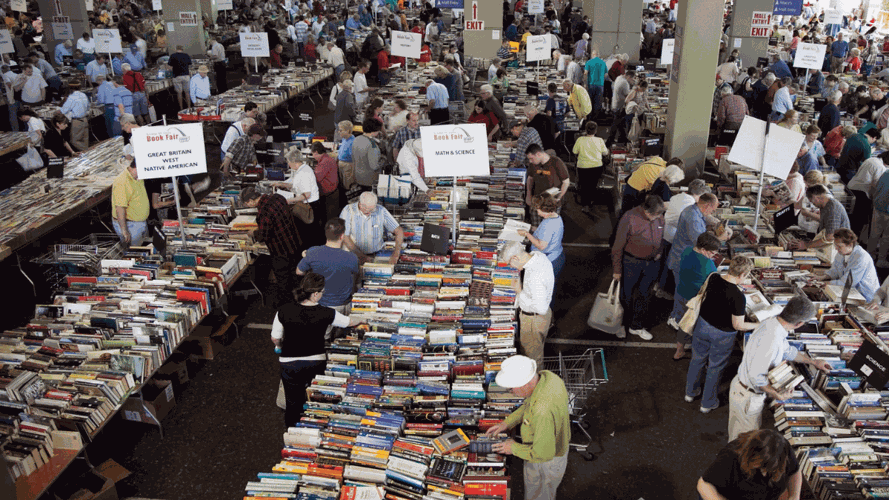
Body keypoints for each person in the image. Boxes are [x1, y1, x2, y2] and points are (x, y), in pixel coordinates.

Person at [729, 296, 830, 441]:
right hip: (747, 396)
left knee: (739, 437)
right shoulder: (772, 339)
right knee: (744, 443)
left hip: (744, 390)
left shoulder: (774, 324)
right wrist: (776, 394)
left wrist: (813, 362)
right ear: (800, 323)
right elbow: (756, 376)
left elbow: (788, 351)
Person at [272, 272, 359, 427]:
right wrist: (365, 319)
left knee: (292, 400)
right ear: (315, 294)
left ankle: (293, 430)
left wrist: (279, 346)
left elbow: (275, 338)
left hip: (289, 363)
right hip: (315, 361)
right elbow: (349, 322)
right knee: (316, 397)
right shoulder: (327, 312)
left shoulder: (283, 310)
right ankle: (314, 423)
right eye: (322, 292)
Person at [485, 355, 570, 500]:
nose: (511, 392)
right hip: (550, 442)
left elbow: (543, 454)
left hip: (545, 462)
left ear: (525, 384)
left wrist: (513, 448)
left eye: (511, 389)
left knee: (539, 495)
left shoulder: (541, 411)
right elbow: (528, 405)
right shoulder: (548, 378)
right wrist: (507, 423)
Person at [685, 255, 760, 413]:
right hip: (722, 335)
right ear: (742, 275)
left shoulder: (714, 278)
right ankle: (707, 403)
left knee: (697, 359)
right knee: (715, 367)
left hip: (702, 325)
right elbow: (738, 325)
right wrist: (758, 325)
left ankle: (690, 393)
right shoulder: (738, 297)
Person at [611, 195, 666, 341]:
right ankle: (620, 324)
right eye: (654, 215)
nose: (657, 218)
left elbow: (660, 237)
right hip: (631, 262)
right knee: (626, 295)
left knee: (645, 295)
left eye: (659, 215)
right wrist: (617, 270)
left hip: (652, 264)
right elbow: (617, 246)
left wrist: (659, 252)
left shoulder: (659, 217)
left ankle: (636, 326)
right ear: (645, 210)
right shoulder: (629, 217)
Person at [242, 186, 303, 308]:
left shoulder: (263, 212)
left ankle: (288, 306)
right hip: (294, 243)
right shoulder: (278, 198)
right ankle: (301, 300)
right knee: (295, 274)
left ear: (251, 201)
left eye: (246, 204)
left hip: (280, 250)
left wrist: (253, 233)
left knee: (283, 279)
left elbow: (264, 236)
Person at [698, 430, 802, 500]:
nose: (765, 474)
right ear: (751, 455)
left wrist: (794, 496)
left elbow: (795, 471)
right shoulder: (730, 456)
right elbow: (703, 484)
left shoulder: (782, 448)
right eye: (762, 467)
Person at [296, 217, 360, 331]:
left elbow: (299, 271)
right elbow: (357, 276)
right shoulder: (351, 257)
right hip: (342, 304)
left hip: (320, 303)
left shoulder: (313, 252)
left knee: (322, 337)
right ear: (342, 236)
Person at [500, 242, 555, 368]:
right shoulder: (539, 256)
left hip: (533, 320)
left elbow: (539, 308)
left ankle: (535, 384)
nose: (511, 266)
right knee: (537, 350)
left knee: (533, 359)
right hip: (543, 317)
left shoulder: (535, 276)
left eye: (510, 263)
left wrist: (519, 291)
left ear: (515, 258)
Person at [670, 232, 720, 360]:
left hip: (681, 293)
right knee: (697, 327)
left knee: (683, 324)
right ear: (703, 249)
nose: (713, 256)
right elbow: (714, 280)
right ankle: (698, 355)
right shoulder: (707, 264)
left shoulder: (687, 251)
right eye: (712, 253)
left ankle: (679, 351)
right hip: (695, 300)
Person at [667, 193, 730, 293]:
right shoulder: (693, 219)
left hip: (683, 257)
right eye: (712, 210)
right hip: (683, 261)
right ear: (707, 206)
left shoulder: (693, 210)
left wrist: (715, 225)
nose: (712, 213)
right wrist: (720, 238)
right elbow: (702, 244)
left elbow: (703, 222)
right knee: (685, 295)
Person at [340, 191, 405, 265]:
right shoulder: (348, 211)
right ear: (360, 204)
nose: (371, 213)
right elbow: (345, 237)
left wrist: (396, 254)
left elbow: (399, 230)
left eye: (372, 210)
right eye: (368, 210)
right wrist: (361, 256)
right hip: (353, 255)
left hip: (376, 255)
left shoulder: (380, 210)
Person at [518, 193, 565, 293]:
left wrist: (526, 234)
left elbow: (541, 245)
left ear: (545, 209)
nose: (537, 212)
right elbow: (541, 231)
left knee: (543, 291)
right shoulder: (555, 217)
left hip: (549, 260)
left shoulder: (549, 224)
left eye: (538, 209)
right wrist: (528, 227)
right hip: (556, 256)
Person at [275, 146, 322, 245]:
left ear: (295, 162)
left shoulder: (303, 173)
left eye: (289, 162)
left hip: (309, 206)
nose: (288, 164)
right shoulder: (301, 169)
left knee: (310, 234)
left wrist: (289, 200)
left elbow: (306, 194)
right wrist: (281, 184)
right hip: (308, 204)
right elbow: (296, 186)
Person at [793, 184, 850, 250]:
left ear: (815, 197)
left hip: (838, 247)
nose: (812, 204)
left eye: (812, 202)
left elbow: (830, 237)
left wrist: (806, 245)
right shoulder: (825, 205)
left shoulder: (832, 208)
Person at [524, 144, 569, 225]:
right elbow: (530, 178)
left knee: (550, 227)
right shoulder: (533, 164)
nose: (530, 161)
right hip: (537, 201)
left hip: (552, 203)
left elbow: (566, 182)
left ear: (538, 154)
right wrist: (528, 194)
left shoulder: (557, 162)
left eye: (531, 158)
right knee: (536, 226)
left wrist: (558, 198)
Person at [111, 157, 149, 247]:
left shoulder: (137, 177)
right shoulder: (122, 182)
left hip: (139, 223)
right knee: (134, 253)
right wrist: (124, 231)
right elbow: (120, 208)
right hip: (130, 225)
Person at [848, 152, 888, 236]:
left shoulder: (871, 159)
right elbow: (876, 185)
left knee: (853, 217)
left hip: (852, 186)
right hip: (862, 192)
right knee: (859, 220)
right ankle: (855, 237)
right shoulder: (881, 167)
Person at [572, 121, 608, 214]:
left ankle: (585, 205)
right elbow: (605, 153)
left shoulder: (580, 139)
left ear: (585, 130)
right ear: (596, 131)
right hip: (596, 166)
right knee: (593, 184)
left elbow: (574, 152)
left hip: (583, 167)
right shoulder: (600, 140)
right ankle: (592, 200)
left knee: (584, 185)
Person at [310, 142, 340, 224]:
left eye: (313, 154)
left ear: (316, 152)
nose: (313, 156)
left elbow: (316, 178)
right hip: (332, 192)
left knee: (328, 221)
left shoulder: (324, 162)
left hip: (329, 195)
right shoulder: (327, 158)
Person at [352, 118, 382, 192]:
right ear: (374, 131)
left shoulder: (356, 139)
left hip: (358, 177)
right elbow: (374, 166)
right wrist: (383, 161)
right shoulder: (372, 144)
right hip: (369, 180)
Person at [59, 86, 89, 151]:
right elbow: (88, 107)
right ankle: (87, 153)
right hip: (85, 119)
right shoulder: (83, 95)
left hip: (77, 121)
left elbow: (64, 110)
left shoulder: (72, 97)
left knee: (74, 141)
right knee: (85, 140)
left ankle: (86, 152)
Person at [583, 49, 606, 117]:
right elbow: (605, 75)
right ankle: (595, 121)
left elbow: (585, 73)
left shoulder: (589, 62)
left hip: (591, 85)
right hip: (600, 85)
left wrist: (585, 84)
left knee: (589, 102)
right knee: (598, 104)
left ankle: (589, 119)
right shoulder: (603, 63)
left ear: (592, 55)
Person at [168, 46, 192, 110]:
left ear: (176, 49)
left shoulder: (173, 56)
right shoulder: (186, 55)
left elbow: (170, 67)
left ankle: (181, 108)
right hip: (186, 76)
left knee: (179, 93)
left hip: (177, 76)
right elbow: (190, 64)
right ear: (182, 49)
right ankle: (189, 107)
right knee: (187, 92)